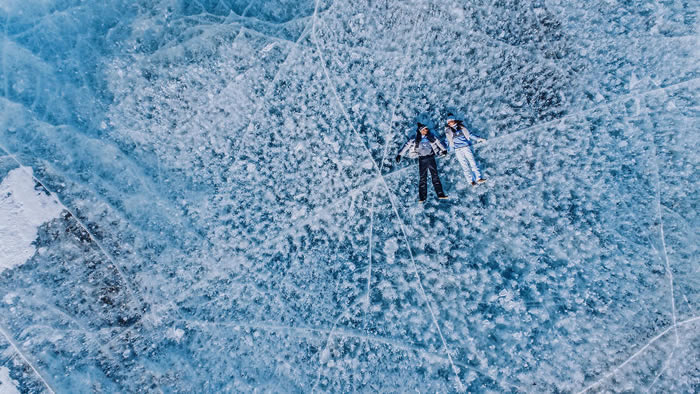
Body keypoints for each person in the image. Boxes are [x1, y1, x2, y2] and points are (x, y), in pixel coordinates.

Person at [395, 123, 449, 203]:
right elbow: (406, 146)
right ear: (421, 131)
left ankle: (440, 194)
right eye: (425, 129)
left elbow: (438, 143)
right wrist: (400, 154)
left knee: (435, 176)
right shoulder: (415, 139)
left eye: (427, 129)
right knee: (423, 178)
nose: (426, 130)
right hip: (422, 159)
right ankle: (422, 197)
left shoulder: (431, 137)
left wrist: (444, 150)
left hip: (430, 157)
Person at [444, 113, 487, 185]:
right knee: (464, 165)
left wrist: (479, 139)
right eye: (448, 122)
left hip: (465, 147)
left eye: (450, 121)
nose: (449, 123)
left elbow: (469, 134)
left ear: (453, 120)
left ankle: (478, 178)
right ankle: (471, 181)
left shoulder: (461, 127)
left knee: (472, 162)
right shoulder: (448, 131)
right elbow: (447, 141)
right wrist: (444, 150)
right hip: (457, 150)